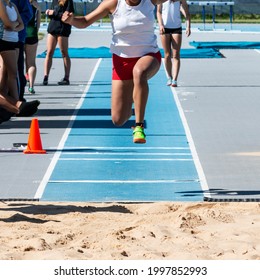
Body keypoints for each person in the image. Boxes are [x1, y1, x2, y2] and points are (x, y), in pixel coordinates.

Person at [62, 0, 172, 144]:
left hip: (148, 55)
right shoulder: (113, 3)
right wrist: (71, 20)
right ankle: (136, 91)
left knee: (139, 72)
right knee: (118, 119)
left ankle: (139, 127)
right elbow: (85, 21)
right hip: (122, 62)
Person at [0, 0, 40, 123]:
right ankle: (17, 107)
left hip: (13, 40)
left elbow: (21, 23)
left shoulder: (12, 5)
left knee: (11, 74)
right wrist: (15, 24)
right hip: (4, 40)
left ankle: (15, 105)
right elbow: (8, 24)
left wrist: (15, 25)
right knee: (5, 74)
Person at [157, 0, 191, 87]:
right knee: (167, 55)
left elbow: (186, 12)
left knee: (176, 55)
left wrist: (188, 26)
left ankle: (175, 79)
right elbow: (159, 12)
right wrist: (160, 25)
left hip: (176, 28)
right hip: (164, 28)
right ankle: (169, 77)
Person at [43, 0, 74, 86]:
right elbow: (52, 14)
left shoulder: (68, 2)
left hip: (63, 29)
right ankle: (46, 76)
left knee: (64, 52)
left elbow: (67, 17)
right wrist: (49, 12)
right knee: (49, 52)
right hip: (53, 28)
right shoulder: (54, 1)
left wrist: (54, 13)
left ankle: (66, 77)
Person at [11, 0, 33, 101]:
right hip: (4, 38)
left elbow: (28, 13)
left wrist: (15, 24)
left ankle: (19, 98)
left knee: (16, 70)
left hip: (17, 38)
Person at [24, 0, 41, 94]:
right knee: (31, 62)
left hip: (20, 33)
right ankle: (31, 86)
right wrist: (36, 30)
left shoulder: (19, 3)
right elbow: (38, 22)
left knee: (18, 60)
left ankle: (19, 84)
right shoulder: (36, 4)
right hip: (32, 34)